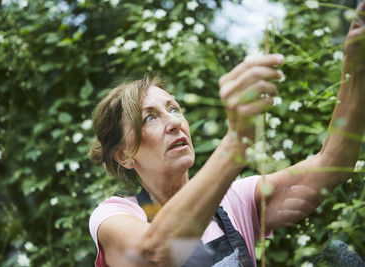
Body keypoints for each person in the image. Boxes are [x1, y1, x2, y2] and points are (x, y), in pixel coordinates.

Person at [88, 2, 365, 266]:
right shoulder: (115, 215)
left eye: (174, 108)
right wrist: (236, 142)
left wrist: (356, 66)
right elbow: (154, 254)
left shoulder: (236, 200)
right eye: (150, 117)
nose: (173, 122)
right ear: (124, 154)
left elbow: (333, 165)